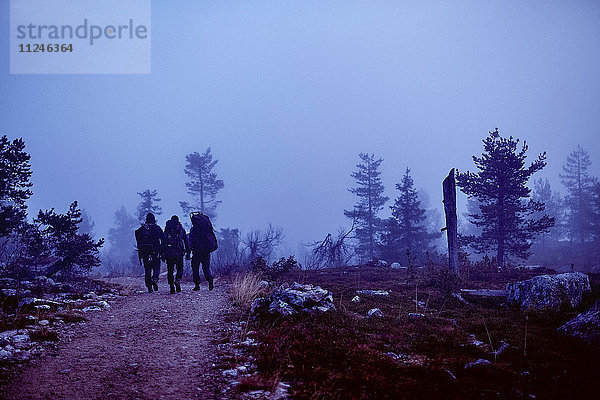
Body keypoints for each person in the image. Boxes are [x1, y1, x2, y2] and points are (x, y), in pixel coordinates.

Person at [135, 213, 164, 293]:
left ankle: (149, 287)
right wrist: (162, 251)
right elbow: (163, 239)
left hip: (145, 252)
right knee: (156, 268)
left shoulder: (141, 229)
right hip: (155, 252)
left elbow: (138, 241)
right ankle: (154, 279)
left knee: (147, 270)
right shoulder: (157, 228)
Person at [188, 212, 217, 291]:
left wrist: (189, 250)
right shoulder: (207, 228)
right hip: (206, 250)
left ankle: (197, 285)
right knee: (206, 267)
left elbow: (190, 240)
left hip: (197, 251)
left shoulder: (194, 229)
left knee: (195, 267)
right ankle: (209, 278)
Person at [162, 215, 190, 294]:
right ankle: (178, 280)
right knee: (180, 268)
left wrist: (163, 253)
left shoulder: (167, 229)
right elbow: (186, 241)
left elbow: (163, 242)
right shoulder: (181, 229)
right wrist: (188, 252)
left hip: (169, 253)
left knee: (170, 270)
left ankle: (171, 286)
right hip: (179, 252)